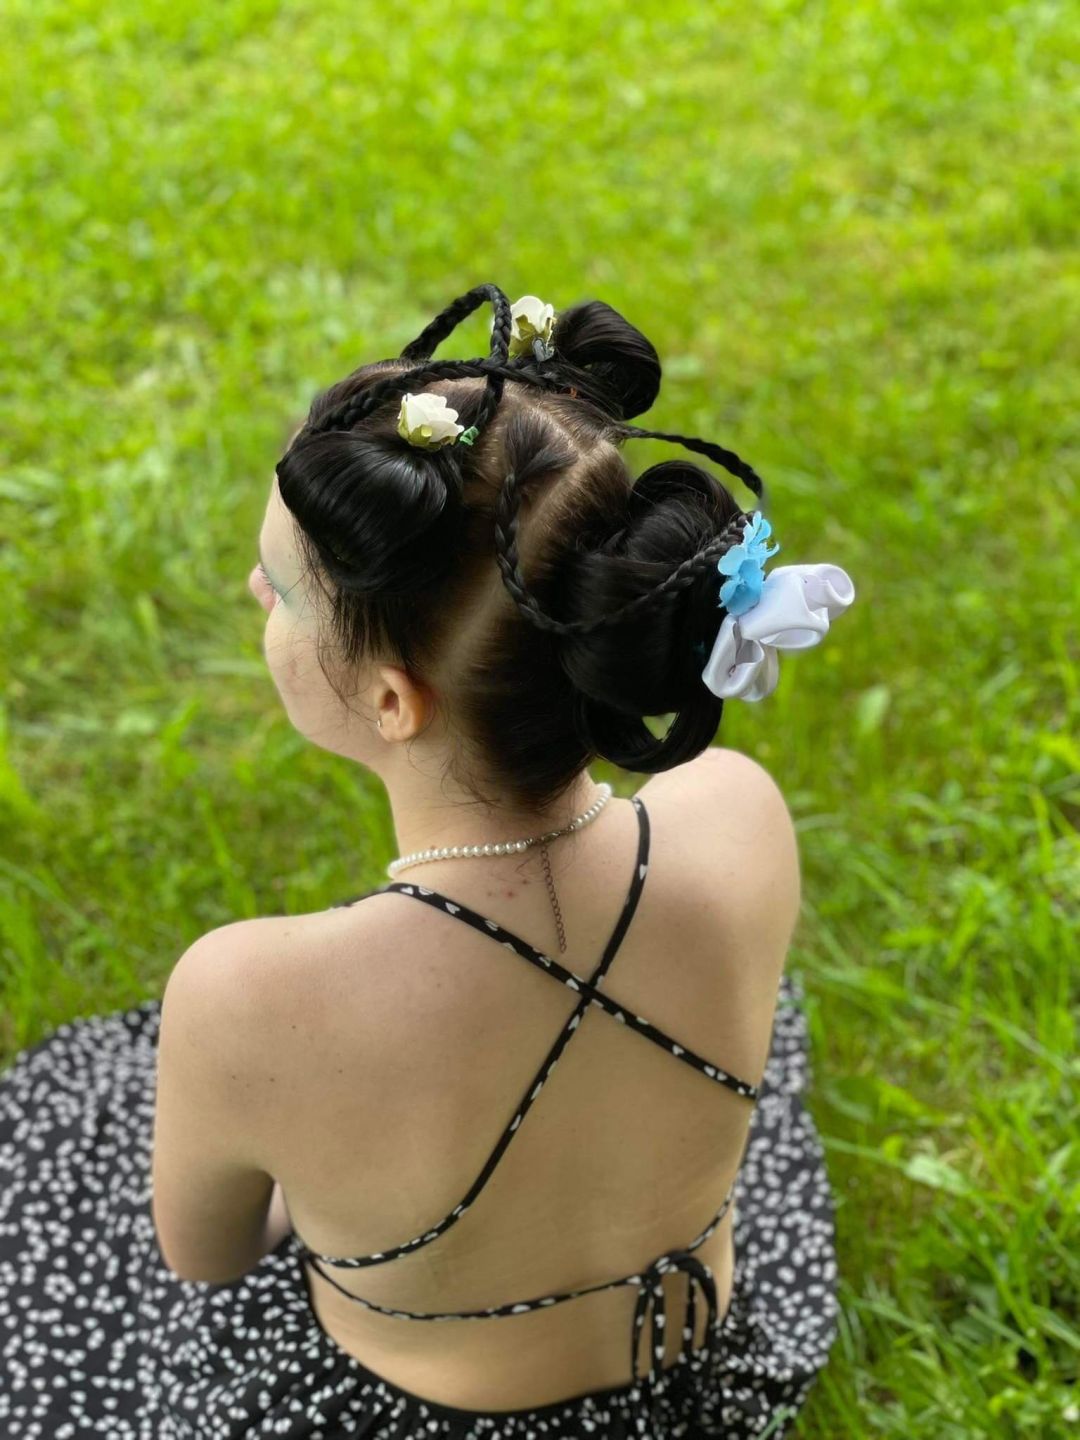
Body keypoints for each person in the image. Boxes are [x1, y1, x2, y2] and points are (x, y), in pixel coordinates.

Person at [0, 284, 851, 1439]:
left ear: (394, 701)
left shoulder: (250, 997)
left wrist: (326, 1171)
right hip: (690, 1377)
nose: (255, 593)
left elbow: (206, 1258)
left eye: (282, 590)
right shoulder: (735, 814)